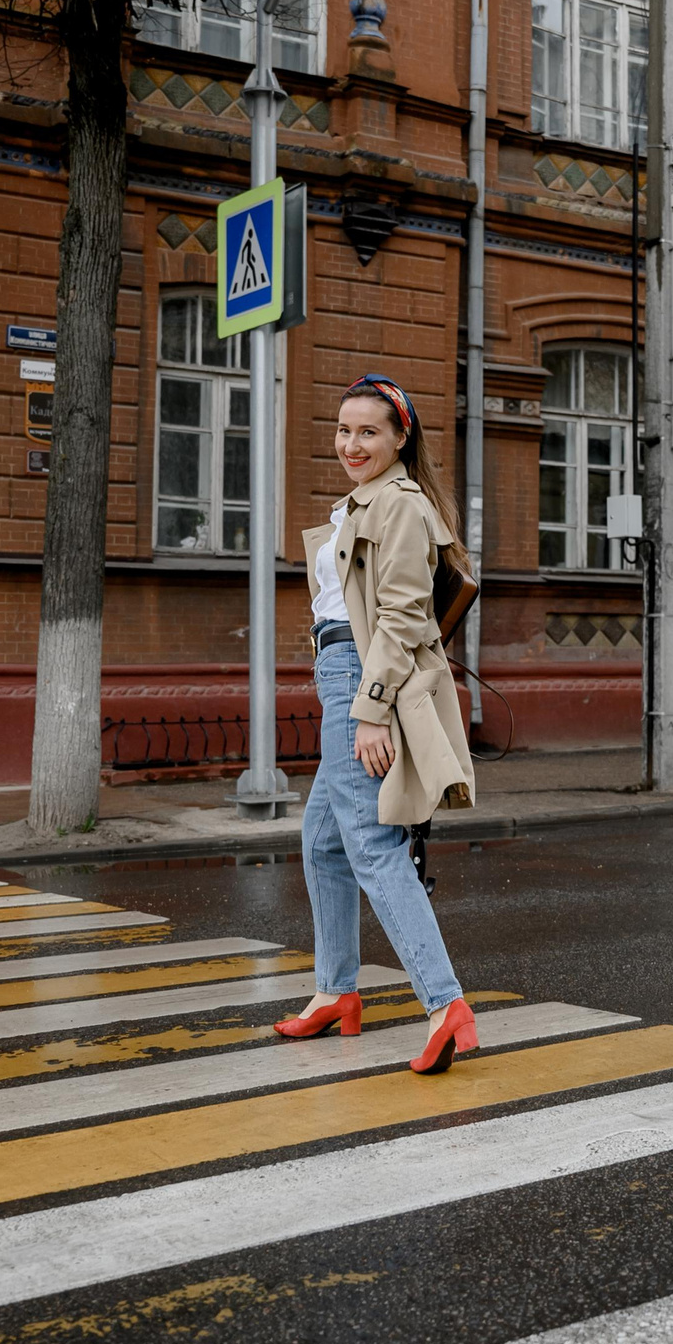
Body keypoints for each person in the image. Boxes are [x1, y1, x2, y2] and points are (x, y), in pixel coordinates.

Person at [275, 374, 480, 1073]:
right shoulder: (362, 502)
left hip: (361, 677)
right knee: (322, 841)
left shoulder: (397, 504)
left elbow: (400, 617)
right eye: (342, 430)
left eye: (368, 431)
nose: (351, 443)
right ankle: (337, 991)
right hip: (343, 669)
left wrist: (369, 711)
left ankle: (445, 1003)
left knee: (370, 841)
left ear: (400, 438)